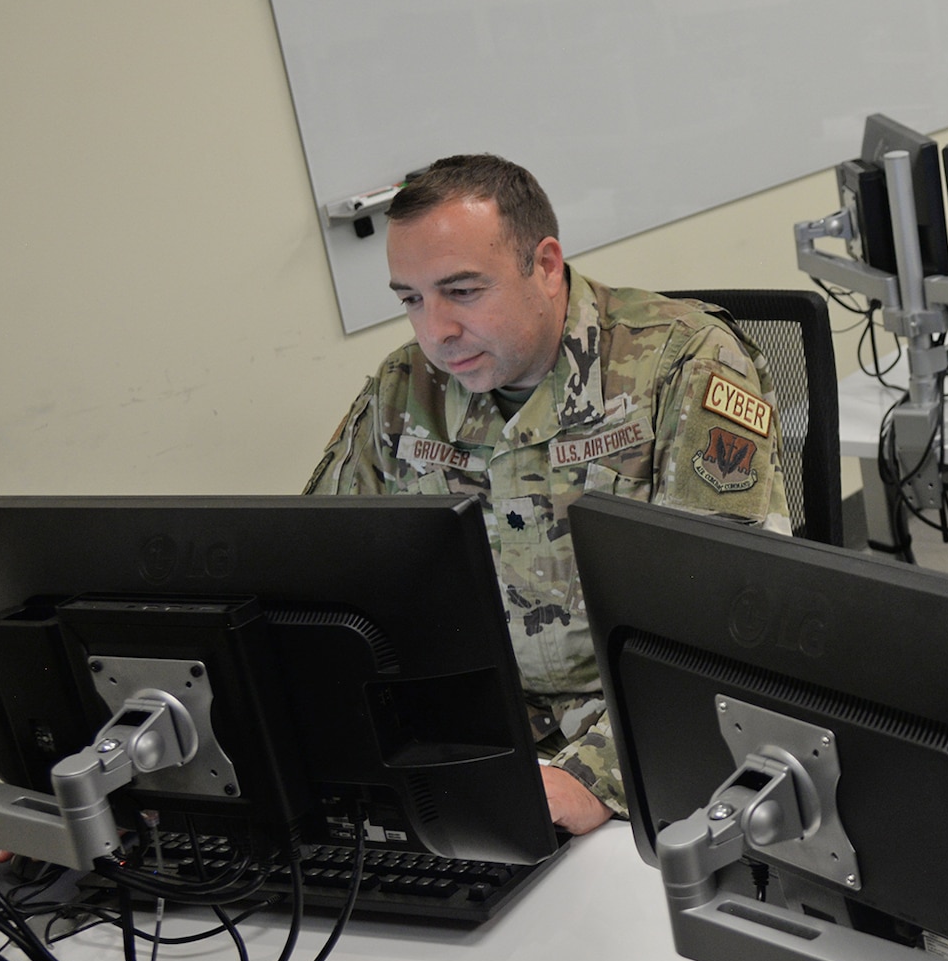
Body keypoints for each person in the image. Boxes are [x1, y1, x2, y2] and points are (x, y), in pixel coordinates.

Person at [306, 154, 790, 835]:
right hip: (479, 745)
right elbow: (316, 582)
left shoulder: (683, 361)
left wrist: (591, 776)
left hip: (654, 743)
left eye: (463, 291)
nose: (435, 331)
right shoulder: (403, 388)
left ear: (547, 264)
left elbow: (726, 616)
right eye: (411, 299)